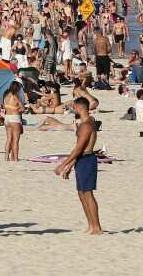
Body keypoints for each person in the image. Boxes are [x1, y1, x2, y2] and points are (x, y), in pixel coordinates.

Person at [55, 96, 102, 235]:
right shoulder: (86, 122)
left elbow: (79, 148)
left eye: (74, 107)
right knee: (81, 194)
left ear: (80, 108)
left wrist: (63, 165)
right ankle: (91, 226)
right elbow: (79, 149)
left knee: (88, 194)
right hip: (82, 160)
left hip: (87, 159)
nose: (73, 109)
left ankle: (96, 226)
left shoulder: (86, 125)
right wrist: (70, 166)